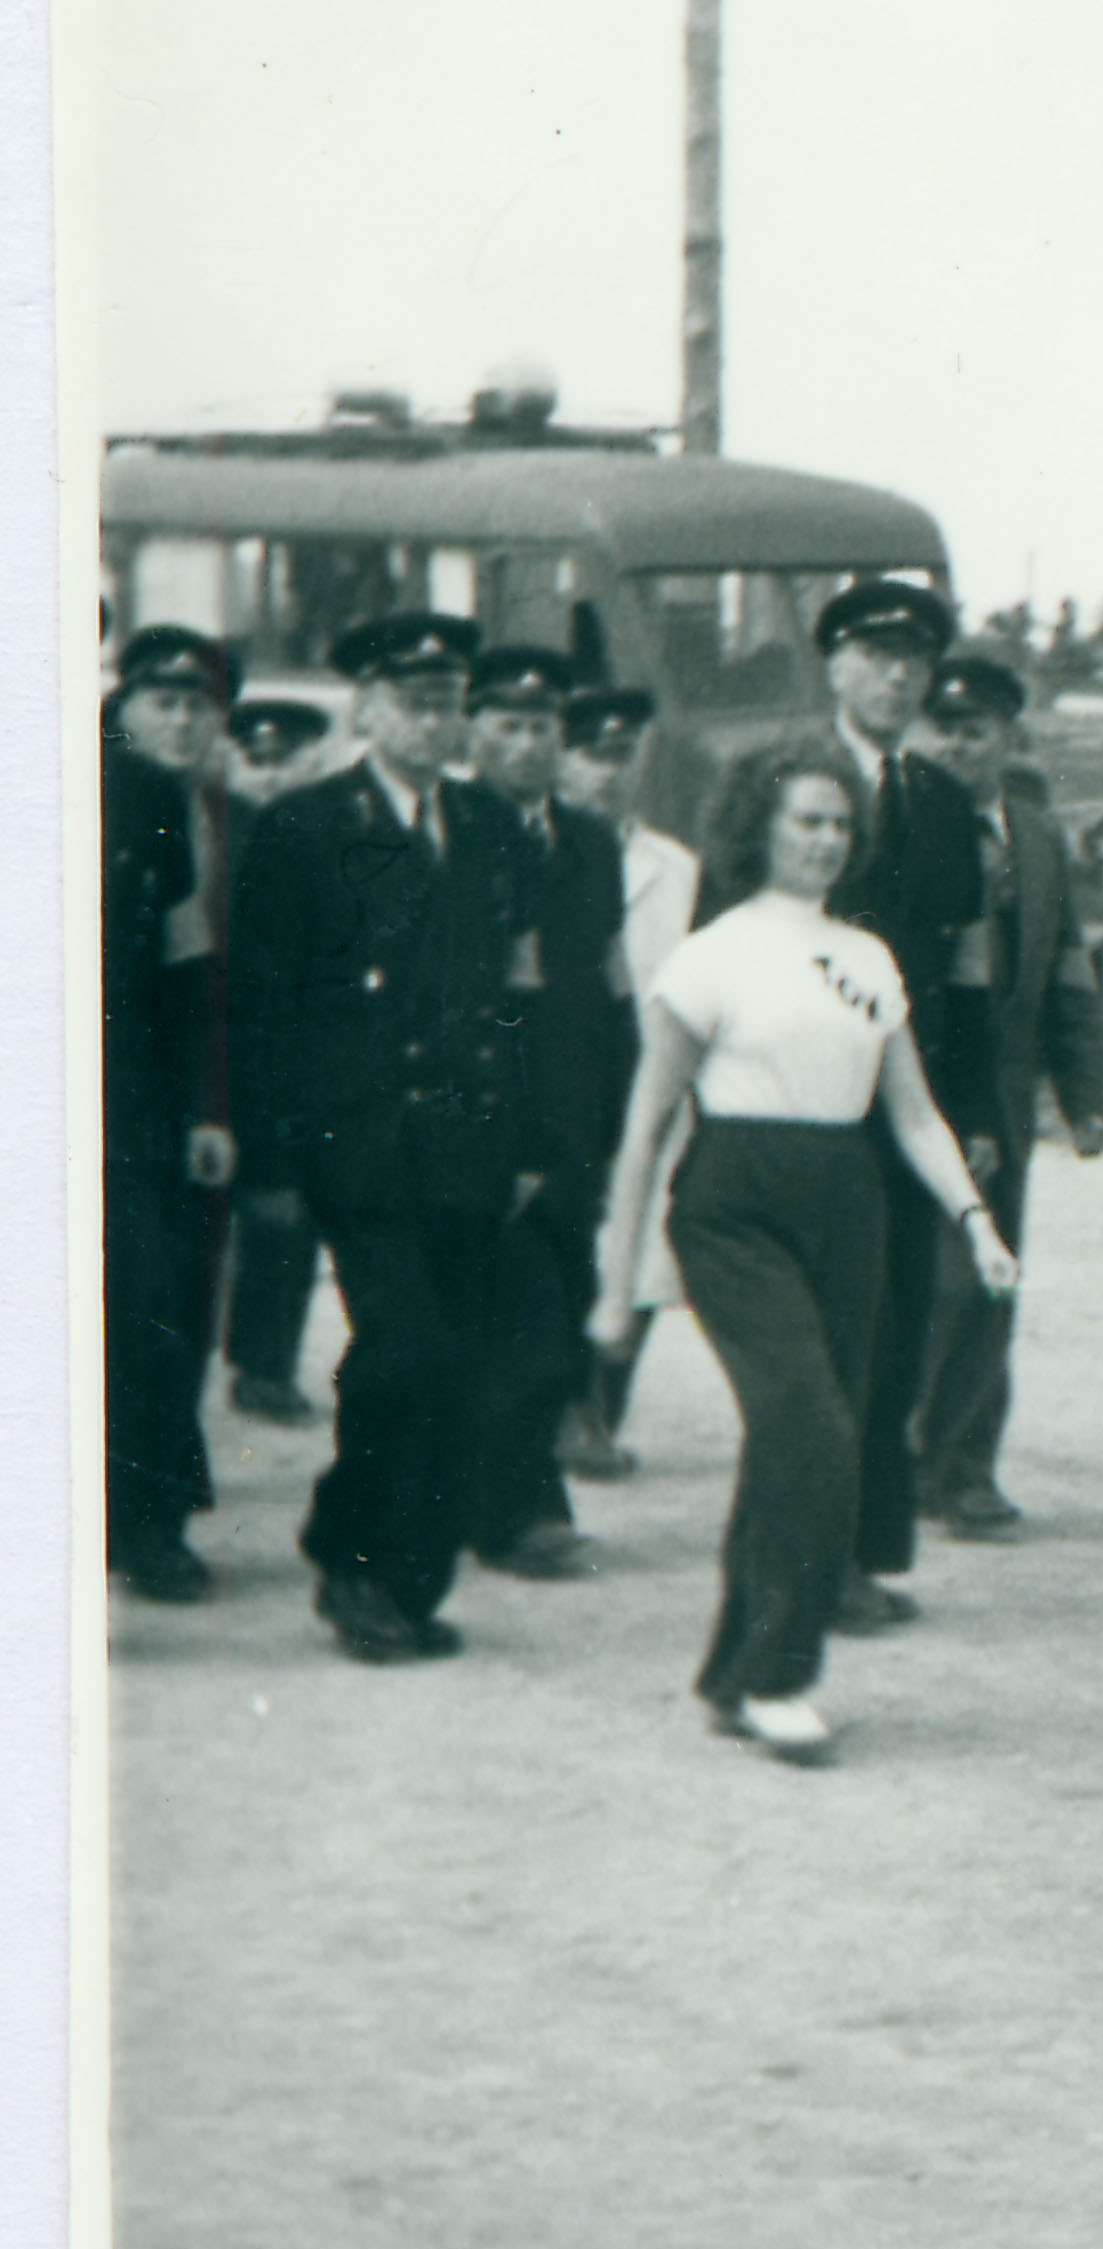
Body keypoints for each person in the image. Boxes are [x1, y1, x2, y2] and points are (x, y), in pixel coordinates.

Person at [586, 747, 1016, 1764]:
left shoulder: (869, 958)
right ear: (757, 828)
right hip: (736, 1206)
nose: (826, 841)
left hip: (849, 1207)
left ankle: (736, 1670)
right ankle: (779, 1679)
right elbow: (646, 1128)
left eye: (838, 825)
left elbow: (914, 1116)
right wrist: (614, 1288)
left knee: (811, 1435)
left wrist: (975, 1222)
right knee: (809, 1427)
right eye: (804, 821)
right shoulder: (712, 954)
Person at [228, 615, 534, 1665]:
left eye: (450, 699)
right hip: (358, 1142)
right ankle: (351, 1561)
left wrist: (529, 1140)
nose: (434, 717)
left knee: (451, 1365)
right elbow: (264, 1004)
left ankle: (409, 1578)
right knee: (405, 1350)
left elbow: (513, 995)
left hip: (467, 1146)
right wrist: (270, 1161)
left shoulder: (491, 824)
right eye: (413, 697)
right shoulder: (309, 825)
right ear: (366, 707)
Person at [810, 577, 998, 1633]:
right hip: (805, 1105)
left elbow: (966, 973)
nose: (896, 675)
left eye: (913, 661)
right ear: (833, 664)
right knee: (828, 1338)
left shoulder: (940, 803)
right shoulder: (781, 783)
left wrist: (971, 1117)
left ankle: (866, 1551)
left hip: (908, 1107)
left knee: (894, 1331)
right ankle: (815, 1557)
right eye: (876, 655)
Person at [906, 655, 1103, 1538]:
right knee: (933, 1282)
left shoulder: (1036, 838)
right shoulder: (900, 824)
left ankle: (962, 1470)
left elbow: (1069, 967)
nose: (960, 745)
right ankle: (905, 1457)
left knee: (989, 1283)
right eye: (946, 728)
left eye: (978, 730)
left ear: (1008, 739)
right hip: (912, 1089)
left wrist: (1085, 1094)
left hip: (1007, 1098)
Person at [456, 644, 633, 1584]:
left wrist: (623, 1115)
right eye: (510, 725)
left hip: (573, 1124)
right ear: (473, 731)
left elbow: (609, 987)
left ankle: (492, 1497)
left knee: (560, 1307)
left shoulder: (590, 842)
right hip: (484, 1123)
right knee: (517, 1321)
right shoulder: (452, 831)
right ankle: (520, 1511)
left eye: (543, 728)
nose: (529, 745)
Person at [102, 628, 237, 1606]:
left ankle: (146, 1525)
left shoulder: (144, 796)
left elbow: (190, 967)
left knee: (149, 1307)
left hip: (131, 1104)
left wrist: (204, 1106)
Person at [554, 686, 702, 1480]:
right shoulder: (535, 847)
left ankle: (598, 1413)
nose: (607, 775)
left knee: (644, 1251)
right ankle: (565, 1412)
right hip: (561, 1087)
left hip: (652, 1088)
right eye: (590, 755)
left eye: (622, 757)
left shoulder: (676, 869)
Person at [212, 691, 342, 1428]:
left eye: (285, 756)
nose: (268, 771)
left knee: (288, 1210)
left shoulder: (330, 835)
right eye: (254, 756)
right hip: (214, 1044)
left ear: (315, 761)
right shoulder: (212, 831)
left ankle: (264, 1366)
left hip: (294, 1047)